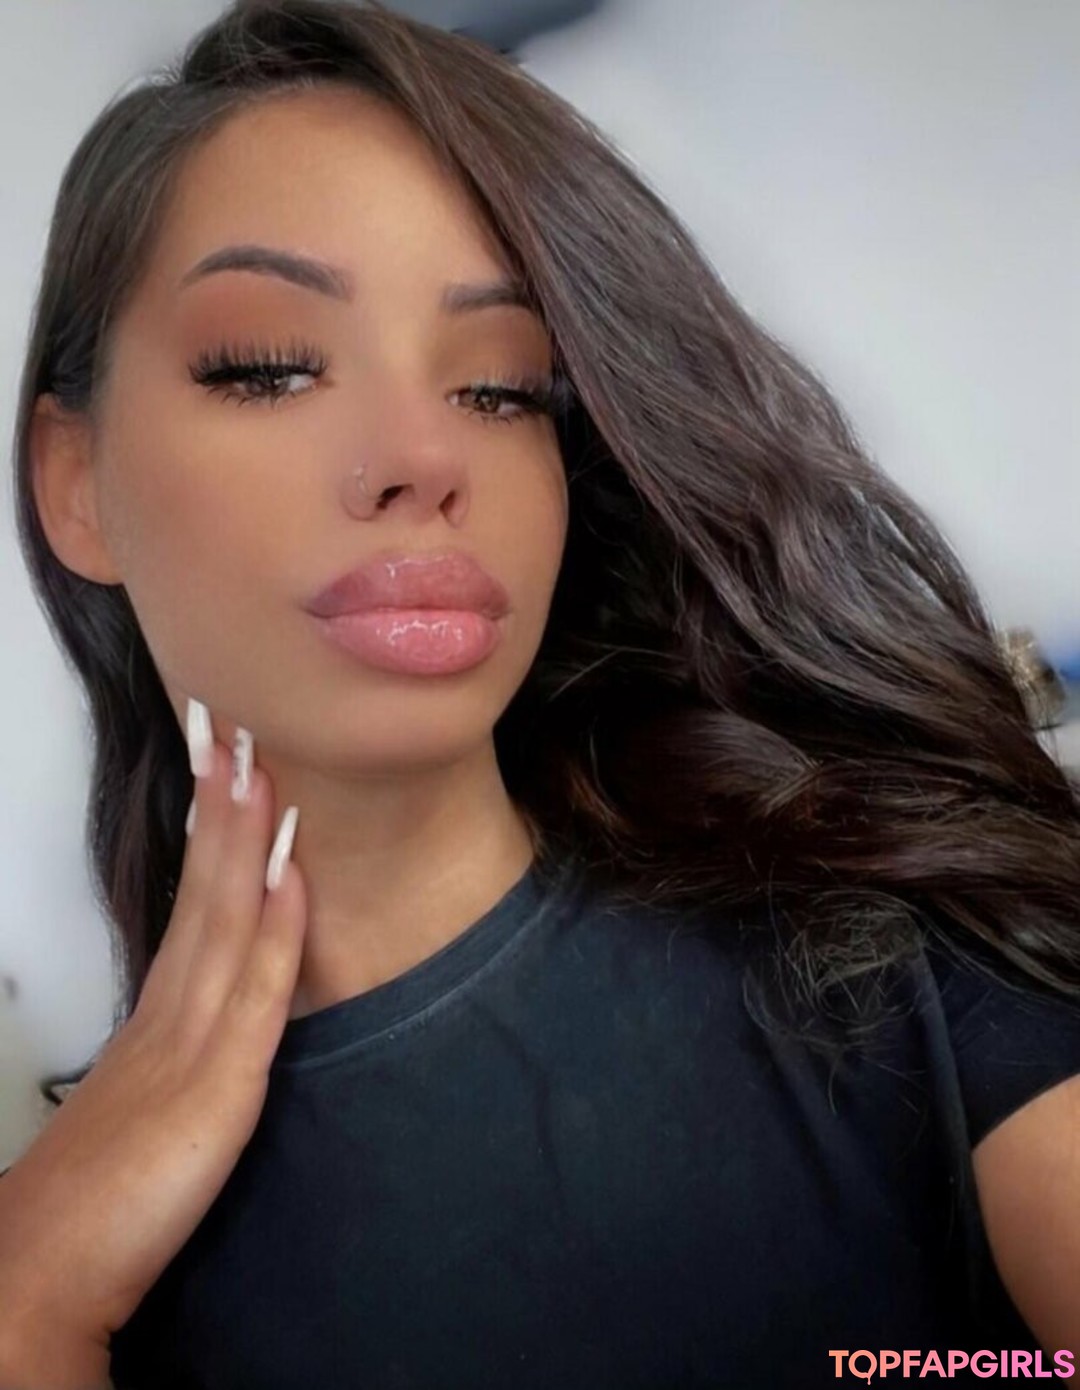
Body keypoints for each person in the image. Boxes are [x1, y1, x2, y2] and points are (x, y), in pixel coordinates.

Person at [1, 1, 1078, 1386]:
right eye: (267, 366)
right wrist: (29, 1300)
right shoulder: (77, 1261)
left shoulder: (891, 929)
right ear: (76, 485)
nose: (422, 455)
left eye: (505, 389)